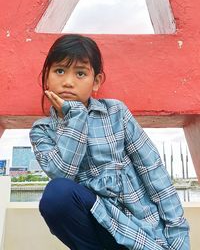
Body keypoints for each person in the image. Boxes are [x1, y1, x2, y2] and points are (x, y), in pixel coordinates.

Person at [29, 34, 190, 250]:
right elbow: (62, 174)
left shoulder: (116, 113)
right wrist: (76, 115)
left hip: (137, 227)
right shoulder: (43, 130)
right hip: (95, 229)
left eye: (80, 73)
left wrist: (178, 233)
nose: (68, 82)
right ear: (46, 76)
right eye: (59, 71)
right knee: (57, 194)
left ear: (96, 82)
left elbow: (153, 171)